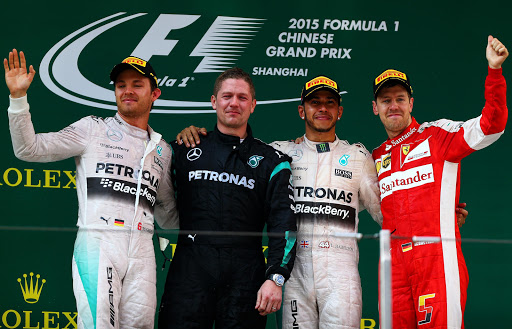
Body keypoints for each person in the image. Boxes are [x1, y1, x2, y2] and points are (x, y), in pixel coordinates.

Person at [177, 75, 469, 328]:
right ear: (301, 110)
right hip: (294, 273)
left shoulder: (359, 158)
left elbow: (389, 211)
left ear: (340, 111)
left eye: (330, 103)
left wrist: (435, 211)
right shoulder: (278, 154)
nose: (322, 109)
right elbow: (233, 156)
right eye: (315, 103)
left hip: (340, 272)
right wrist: (195, 133)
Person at [4, 50, 178, 329]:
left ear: (154, 94)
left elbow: (168, 213)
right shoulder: (92, 129)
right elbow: (28, 148)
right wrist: (18, 98)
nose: (127, 91)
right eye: (121, 85)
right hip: (99, 243)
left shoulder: (162, 149)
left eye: (137, 85)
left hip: (143, 248)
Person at [371, 35, 508, 328]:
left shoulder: (438, 135)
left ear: (411, 103)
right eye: (386, 100)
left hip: (436, 259)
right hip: (393, 263)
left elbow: (491, 125)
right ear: (375, 108)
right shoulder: (374, 157)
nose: (393, 105)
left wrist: (494, 72)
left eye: (399, 99)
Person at [157, 67, 297, 329]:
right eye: (227, 96)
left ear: (253, 105)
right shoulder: (183, 148)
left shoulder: (272, 161)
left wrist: (276, 277)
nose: (234, 103)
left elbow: (284, 226)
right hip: (190, 269)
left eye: (242, 98)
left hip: (245, 275)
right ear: (214, 102)